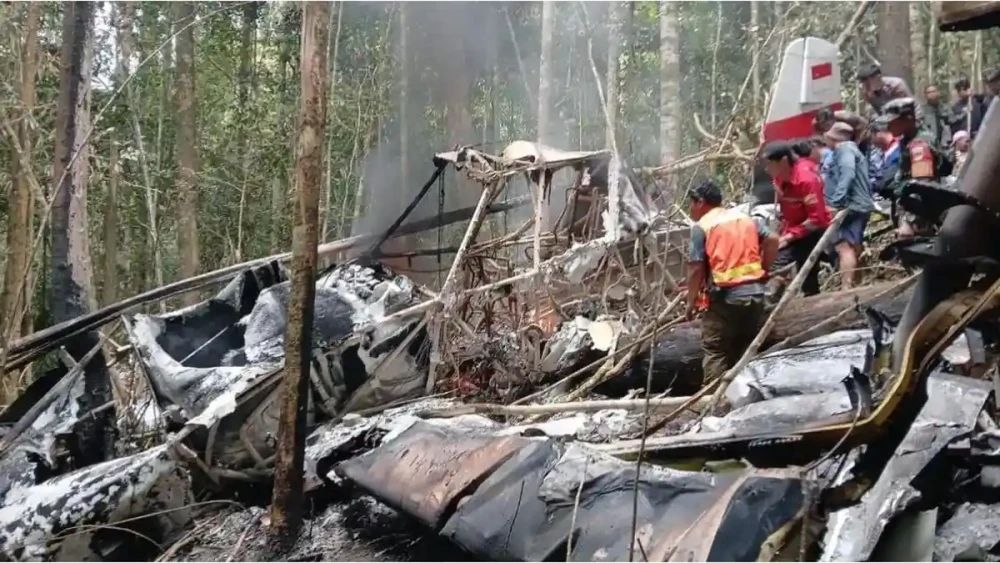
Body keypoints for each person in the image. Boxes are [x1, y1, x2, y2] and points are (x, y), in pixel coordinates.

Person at [685, 181, 779, 383]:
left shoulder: (702, 227)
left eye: (691, 203)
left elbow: (695, 269)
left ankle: (714, 402)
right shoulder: (746, 219)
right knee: (746, 348)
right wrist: (763, 269)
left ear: (700, 202)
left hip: (726, 297)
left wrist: (690, 302)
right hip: (756, 294)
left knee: (715, 348)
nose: (690, 209)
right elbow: (772, 239)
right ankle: (751, 396)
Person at [878, 97, 954, 237]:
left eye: (892, 122)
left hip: (920, 219)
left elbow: (923, 188)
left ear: (908, 119)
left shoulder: (919, 145)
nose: (888, 127)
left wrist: (910, 222)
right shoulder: (907, 141)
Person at [762, 141, 831, 296]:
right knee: (807, 272)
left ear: (784, 161)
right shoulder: (779, 179)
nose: (767, 169)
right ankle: (810, 297)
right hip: (793, 227)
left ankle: (771, 296)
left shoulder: (806, 180)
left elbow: (816, 219)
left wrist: (789, 237)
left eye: (770, 164)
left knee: (778, 261)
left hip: (812, 229)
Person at [823, 122, 875, 289]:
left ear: (834, 138)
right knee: (854, 245)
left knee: (844, 246)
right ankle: (856, 283)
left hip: (850, 206)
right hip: (857, 204)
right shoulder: (851, 150)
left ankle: (846, 287)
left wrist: (837, 201)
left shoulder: (845, 150)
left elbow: (848, 173)